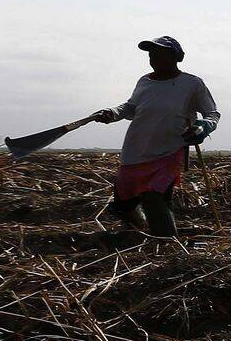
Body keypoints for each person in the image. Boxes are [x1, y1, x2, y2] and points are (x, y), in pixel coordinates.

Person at [92, 36, 219, 237]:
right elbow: (131, 108)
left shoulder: (192, 84)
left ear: (177, 57)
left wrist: (204, 127)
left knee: (154, 195)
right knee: (123, 203)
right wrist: (112, 112)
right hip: (135, 151)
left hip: (169, 151)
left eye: (161, 55)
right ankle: (141, 230)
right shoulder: (144, 81)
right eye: (152, 55)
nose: (154, 59)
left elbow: (212, 113)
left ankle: (167, 243)